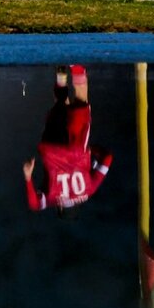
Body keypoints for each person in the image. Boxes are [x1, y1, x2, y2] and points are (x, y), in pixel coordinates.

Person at [23, 64, 112, 216]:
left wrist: (91, 150)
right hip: (51, 149)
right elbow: (34, 204)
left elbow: (108, 158)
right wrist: (28, 178)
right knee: (60, 107)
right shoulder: (52, 199)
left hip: (76, 150)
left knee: (80, 102)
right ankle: (61, 79)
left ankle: (76, 67)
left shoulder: (89, 191)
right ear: (61, 208)